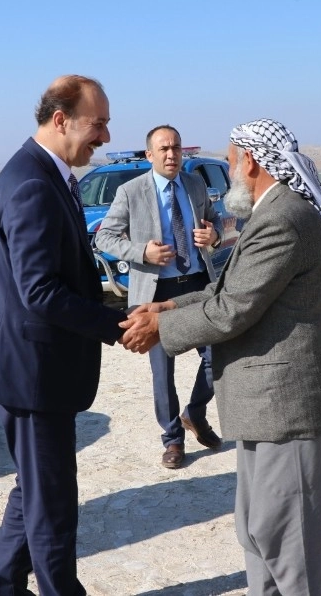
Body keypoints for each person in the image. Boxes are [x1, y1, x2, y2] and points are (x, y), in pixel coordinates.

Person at [121, 118, 321, 596]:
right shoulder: (271, 213)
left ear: (251, 161)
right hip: (264, 406)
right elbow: (226, 288)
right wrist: (166, 304)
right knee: (258, 532)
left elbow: (231, 310)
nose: (227, 173)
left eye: (230, 163)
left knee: (289, 548)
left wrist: (161, 326)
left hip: (285, 406)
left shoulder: (283, 219)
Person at [0, 75, 127, 596]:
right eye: (98, 124)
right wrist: (116, 324)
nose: (104, 137)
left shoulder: (42, 173)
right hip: (33, 374)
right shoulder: (34, 183)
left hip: (28, 369)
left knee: (33, 491)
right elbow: (39, 291)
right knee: (52, 502)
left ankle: (4, 587)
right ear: (61, 120)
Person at [94, 125, 223, 468]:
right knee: (162, 371)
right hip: (155, 292)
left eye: (176, 148)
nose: (171, 154)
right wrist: (141, 252)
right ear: (149, 155)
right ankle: (172, 440)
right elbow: (104, 238)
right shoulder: (131, 191)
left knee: (219, 354)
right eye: (163, 149)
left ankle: (194, 413)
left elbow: (215, 222)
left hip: (197, 284)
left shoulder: (195, 184)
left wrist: (213, 233)